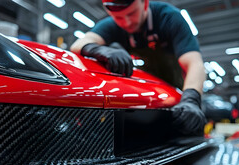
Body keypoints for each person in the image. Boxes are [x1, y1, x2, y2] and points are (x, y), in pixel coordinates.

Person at [70, 0, 207, 136]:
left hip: (181, 95)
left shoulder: (169, 17)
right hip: (153, 93)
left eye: (132, 13)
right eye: (118, 17)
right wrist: (100, 49)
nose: (127, 22)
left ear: (145, 4)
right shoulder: (113, 25)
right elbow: (78, 44)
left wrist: (191, 99)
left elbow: (194, 63)